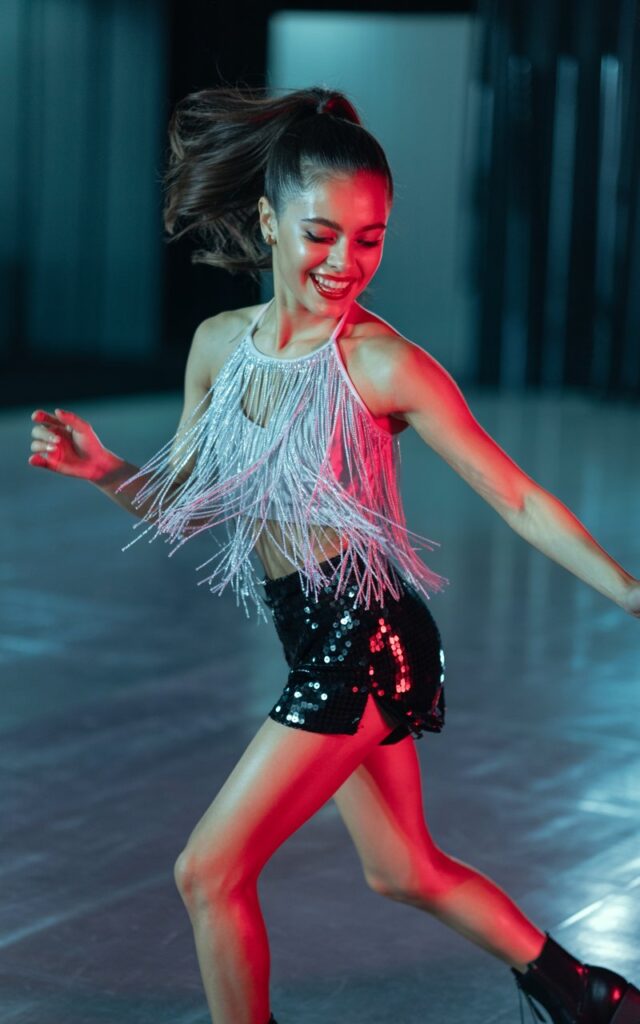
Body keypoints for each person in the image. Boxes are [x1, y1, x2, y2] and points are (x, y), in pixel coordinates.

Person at [28, 84, 640, 1024]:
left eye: (370, 238)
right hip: (310, 636)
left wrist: (632, 595)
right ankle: (588, 995)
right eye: (321, 234)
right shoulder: (218, 347)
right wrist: (104, 467)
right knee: (405, 870)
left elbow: (518, 497)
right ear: (269, 221)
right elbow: (187, 508)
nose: (345, 262)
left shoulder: (383, 365)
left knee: (207, 870)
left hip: (368, 640)